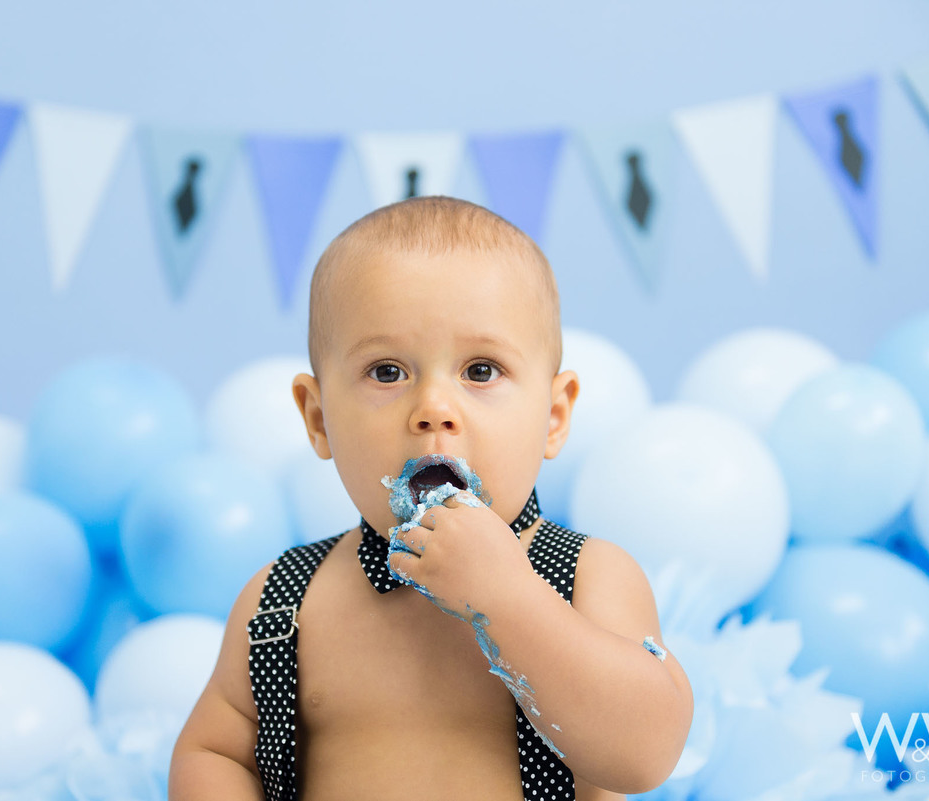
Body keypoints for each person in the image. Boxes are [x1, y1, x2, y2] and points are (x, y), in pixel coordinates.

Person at [169, 196, 693, 801]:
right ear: (318, 419)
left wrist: (510, 598)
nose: (434, 411)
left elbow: (646, 753)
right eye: (388, 372)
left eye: (480, 370)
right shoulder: (284, 600)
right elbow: (214, 750)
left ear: (552, 416)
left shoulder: (587, 579)